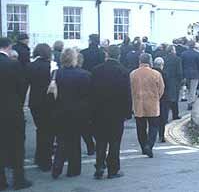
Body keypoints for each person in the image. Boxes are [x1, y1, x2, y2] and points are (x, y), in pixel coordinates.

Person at [91, 45, 132, 180]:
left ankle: (99, 166)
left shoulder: (96, 70)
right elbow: (127, 95)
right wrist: (127, 112)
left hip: (99, 111)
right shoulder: (123, 72)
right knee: (115, 142)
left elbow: (91, 92)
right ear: (118, 55)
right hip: (116, 113)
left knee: (101, 141)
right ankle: (113, 170)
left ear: (106, 55)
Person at [52, 48, 91, 179]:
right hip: (78, 112)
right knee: (74, 141)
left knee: (62, 140)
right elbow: (88, 96)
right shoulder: (84, 74)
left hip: (60, 110)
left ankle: (57, 167)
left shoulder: (56, 74)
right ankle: (73, 169)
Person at [0, 38, 32, 191]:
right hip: (11, 109)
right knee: (17, 145)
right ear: (9, 47)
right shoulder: (13, 64)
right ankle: (18, 179)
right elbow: (22, 87)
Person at [27, 44, 55, 172]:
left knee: (41, 129)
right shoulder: (51, 66)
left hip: (34, 101)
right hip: (47, 102)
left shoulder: (30, 66)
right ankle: (46, 161)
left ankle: (39, 157)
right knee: (48, 132)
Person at [130, 53, 164, 158]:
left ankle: (143, 147)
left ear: (139, 61)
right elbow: (161, 89)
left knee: (141, 128)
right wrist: (157, 97)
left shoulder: (133, 74)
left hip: (138, 104)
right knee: (153, 126)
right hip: (152, 104)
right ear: (150, 61)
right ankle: (149, 145)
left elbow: (130, 89)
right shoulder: (156, 74)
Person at [163, 45, 183, 122]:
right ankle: (175, 114)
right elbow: (179, 72)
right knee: (175, 99)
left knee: (167, 100)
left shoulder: (164, 58)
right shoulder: (177, 59)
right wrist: (180, 81)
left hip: (166, 80)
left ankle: (165, 117)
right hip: (174, 81)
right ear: (172, 51)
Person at [181, 41, 199, 110]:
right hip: (195, 74)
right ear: (194, 46)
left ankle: (190, 101)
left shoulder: (183, 54)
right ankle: (190, 103)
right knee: (193, 89)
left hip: (186, 74)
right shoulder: (197, 54)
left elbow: (182, 65)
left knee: (188, 89)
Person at [152, 57, 169, 143]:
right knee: (162, 119)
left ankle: (152, 136)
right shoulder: (164, 74)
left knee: (153, 119)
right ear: (162, 65)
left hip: (152, 98)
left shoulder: (151, 73)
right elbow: (166, 87)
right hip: (162, 99)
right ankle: (161, 136)